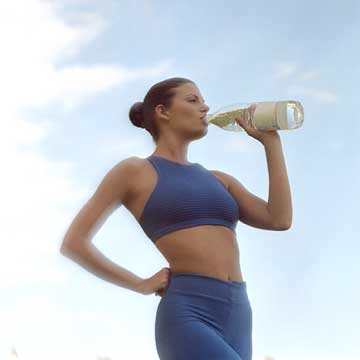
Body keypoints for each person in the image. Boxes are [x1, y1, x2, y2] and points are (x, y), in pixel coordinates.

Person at [60, 77, 292, 360]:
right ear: (163, 111)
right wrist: (138, 283)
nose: (205, 107)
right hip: (188, 312)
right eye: (193, 100)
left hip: (239, 312)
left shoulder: (220, 181)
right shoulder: (135, 171)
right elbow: (74, 243)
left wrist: (271, 143)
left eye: (203, 101)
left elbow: (279, 219)